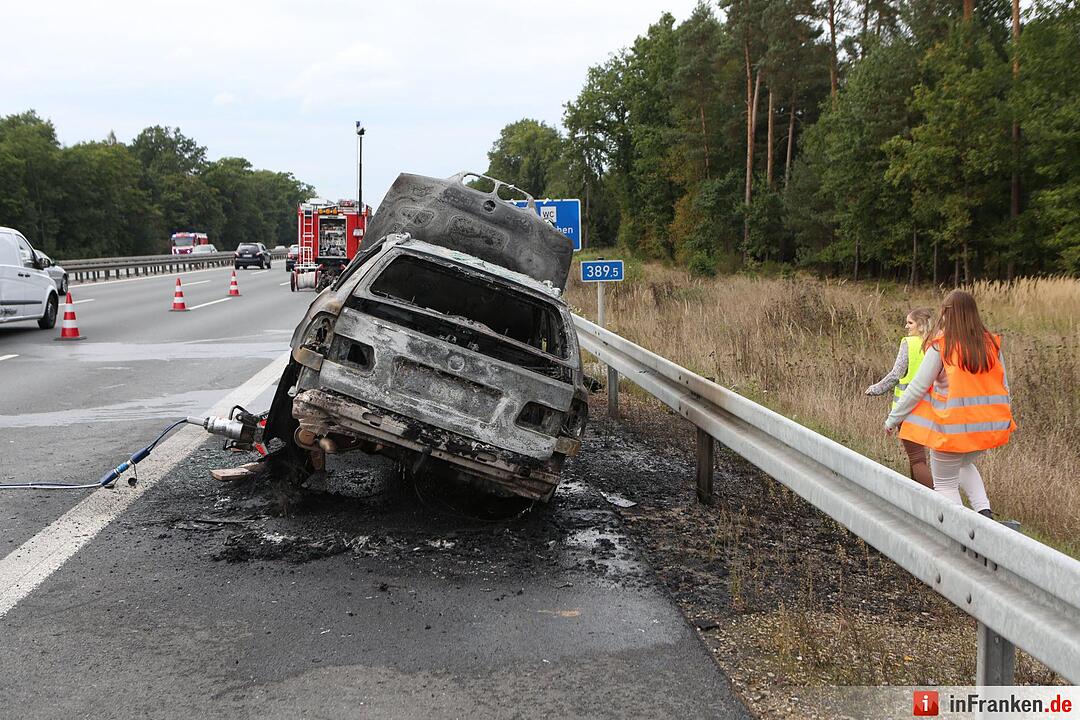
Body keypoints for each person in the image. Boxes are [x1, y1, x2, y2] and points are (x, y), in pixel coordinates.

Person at [885, 290, 1015, 517]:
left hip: (953, 429)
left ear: (946, 313)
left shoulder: (942, 346)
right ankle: (984, 512)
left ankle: (961, 530)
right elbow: (1004, 388)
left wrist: (893, 418)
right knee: (963, 464)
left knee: (945, 483)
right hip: (986, 428)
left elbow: (917, 388)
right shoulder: (991, 345)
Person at [866, 308, 935, 488]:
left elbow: (896, 374)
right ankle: (918, 497)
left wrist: (875, 389)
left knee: (917, 459)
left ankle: (936, 500)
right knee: (918, 457)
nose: (906, 326)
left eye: (910, 323)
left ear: (920, 325)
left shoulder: (908, 343)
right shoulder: (936, 344)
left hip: (908, 408)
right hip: (931, 410)